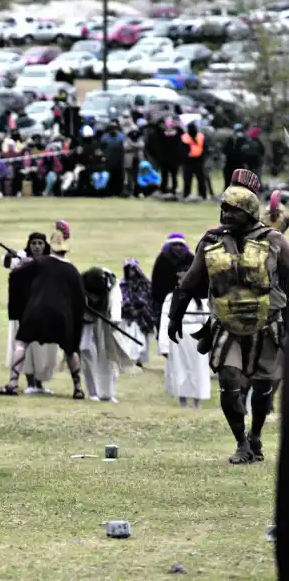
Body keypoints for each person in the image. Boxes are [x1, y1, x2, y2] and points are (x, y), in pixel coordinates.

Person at [168, 169, 289, 464]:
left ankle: (256, 435)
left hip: (268, 324)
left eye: (233, 211)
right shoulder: (210, 241)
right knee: (229, 380)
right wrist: (175, 315)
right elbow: (190, 282)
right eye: (223, 209)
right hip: (226, 326)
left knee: (263, 387)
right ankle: (241, 442)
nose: (226, 216)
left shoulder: (274, 241)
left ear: (248, 213)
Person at [0, 221, 87, 398]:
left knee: (21, 343)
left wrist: (25, 263)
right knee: (70, 349)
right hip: (62, 316)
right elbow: (80, 300)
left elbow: (16, 275)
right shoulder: (72, 270)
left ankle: (12, 384)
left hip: (36, 312)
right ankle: (78, 388)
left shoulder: (40, 263)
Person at [3, 232, 56, 394]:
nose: (37, 247)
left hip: (44, 312)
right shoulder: (21, 260)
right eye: (34, 243)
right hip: (24, 312)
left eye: (40, 243)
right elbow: (8, 264)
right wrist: (10, 255)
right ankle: (30, 382)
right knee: (26, 348)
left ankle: (40, 384)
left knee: (43, 349)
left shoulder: (51, 262)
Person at [159, 264, 211, 409]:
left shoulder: (202, 299)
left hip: (197, 335)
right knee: (179, 368)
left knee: (198, 369)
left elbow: (208, 319)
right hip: (179, 335)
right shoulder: (172, 298)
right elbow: (165, 320)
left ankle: (197, 401)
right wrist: (164, 344)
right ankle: (183, 401)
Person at [80, 267, 133, 402]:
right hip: (86, 321)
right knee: (86, 352)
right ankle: (92, 392)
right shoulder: (81, 281)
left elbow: (116, 303)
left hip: (106, 321)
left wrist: (114, 319)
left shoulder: (112, 284)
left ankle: (108, 393)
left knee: (108, 357)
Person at [120, 258, 156, 367]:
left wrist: (141, 308)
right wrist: (129, 309)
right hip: (129, 317)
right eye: (128, 269)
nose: (131, 272)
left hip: (142, 316)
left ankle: (138, 360)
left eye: (133, 269)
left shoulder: (145, 283)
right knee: (130, 338)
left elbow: (149, 298)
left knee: (141, 338)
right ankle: (131, 359)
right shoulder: (123, 284)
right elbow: (122, 299)